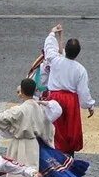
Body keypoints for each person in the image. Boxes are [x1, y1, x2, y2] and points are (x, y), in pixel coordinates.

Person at [39, 25, 93, 157]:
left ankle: (52, 155)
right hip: (70, 101)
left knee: (54, 129)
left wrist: (52, 33)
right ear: (78, 52)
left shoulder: (56, 60)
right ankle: (68, 158)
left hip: (54, 98)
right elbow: (83, 92)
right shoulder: (80, 70)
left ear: (66, 50)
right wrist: (89, 105)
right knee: (69, 131)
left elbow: (49, 48)